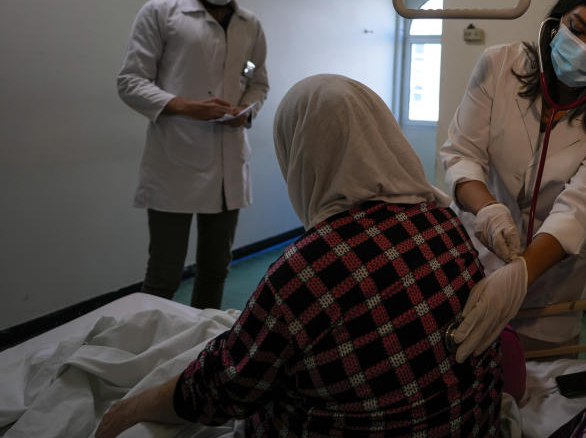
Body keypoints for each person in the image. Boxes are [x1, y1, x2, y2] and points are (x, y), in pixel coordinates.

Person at [96, 75, 502, 438]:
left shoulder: (314, 265)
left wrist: (131, 408)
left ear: (303, 152)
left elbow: (222, 391)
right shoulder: (444, 222)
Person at [442, 0, 586, 360]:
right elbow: (462, 154)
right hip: (475, 247)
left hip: (551, 278)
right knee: (463, 364)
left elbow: (579, 209)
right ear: (557, 20)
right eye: (577, 30)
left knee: (540, 389)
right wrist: (487, 209)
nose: (585, 51)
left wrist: (520, 275)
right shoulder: (500, 64)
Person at [117, 0, 269, 310]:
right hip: (176, 161)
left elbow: (259, 82)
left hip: (227, 161)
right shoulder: (161, 13)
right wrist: (184, 106)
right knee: (164, 276)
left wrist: (246, 111)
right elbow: (130, 82)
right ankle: (151, 350)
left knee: (216, 269)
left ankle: (202, 351)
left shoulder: (250, 25)